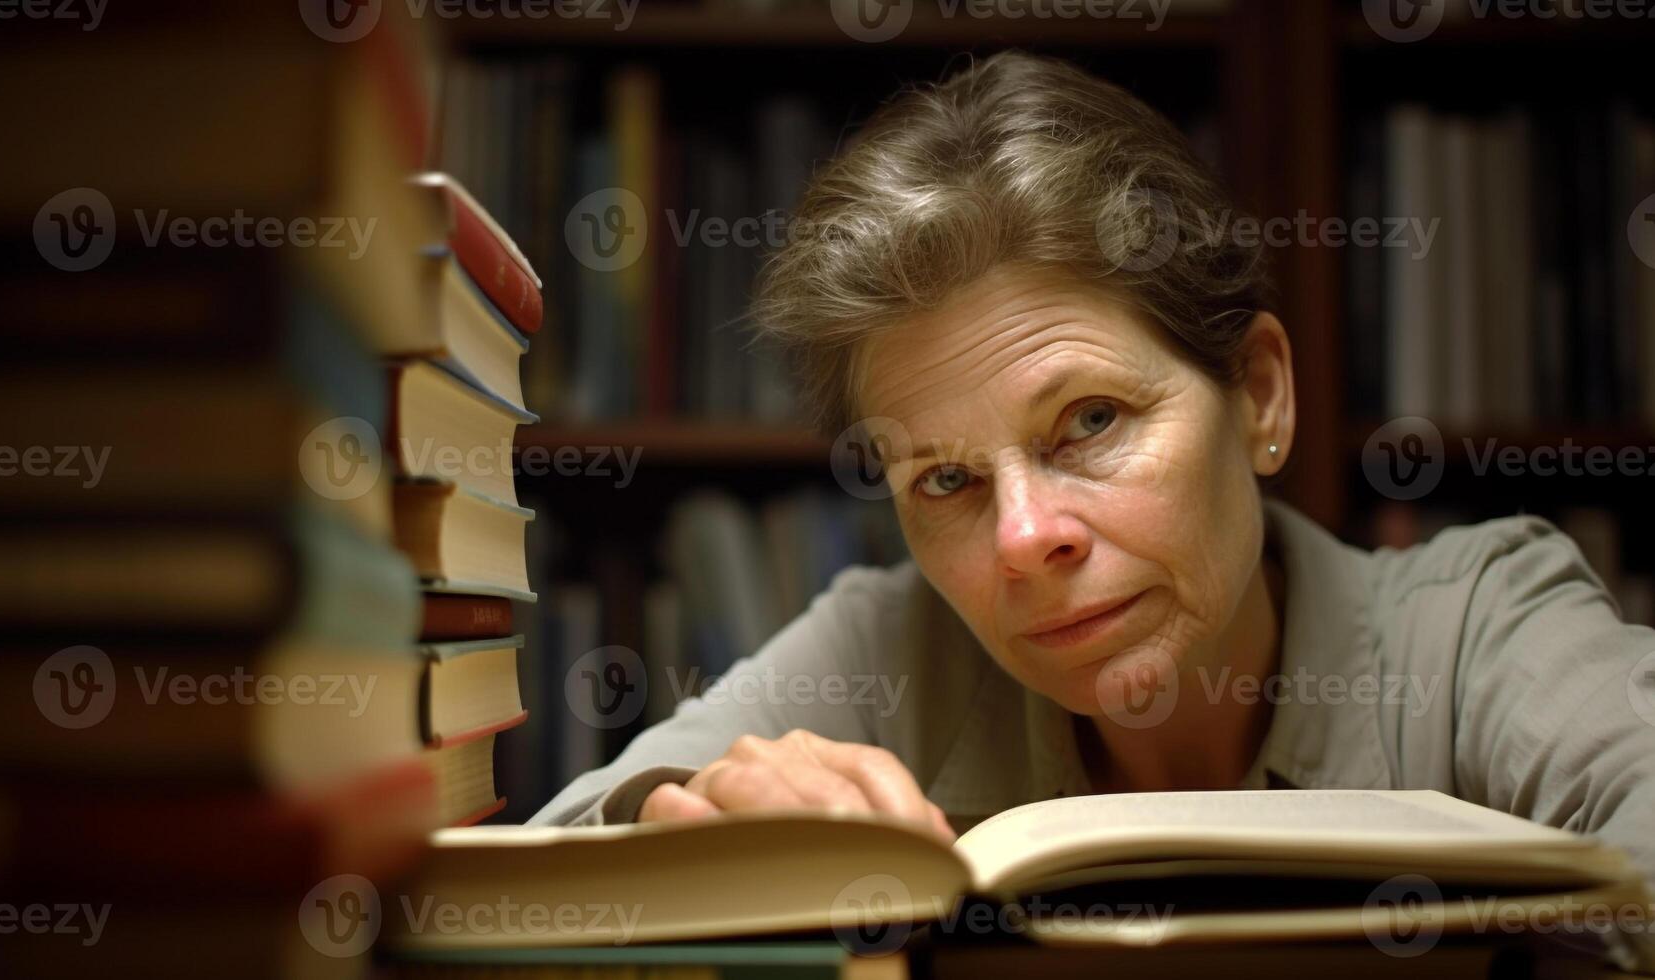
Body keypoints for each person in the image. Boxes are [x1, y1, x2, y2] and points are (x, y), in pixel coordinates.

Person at [532, 51, 1655, 945]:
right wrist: (682, 814)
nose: (1022, 539)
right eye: (946, 480)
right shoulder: (884, 639)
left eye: (1089, 421)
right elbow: (530, 886)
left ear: (1257, 395)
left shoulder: (1474, 629)